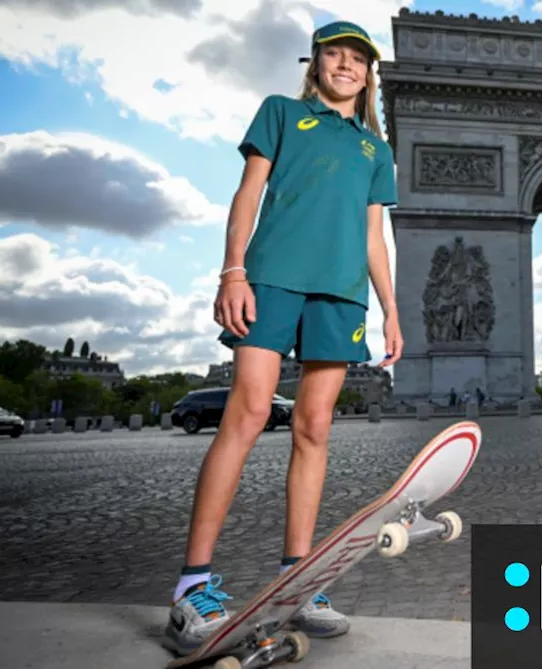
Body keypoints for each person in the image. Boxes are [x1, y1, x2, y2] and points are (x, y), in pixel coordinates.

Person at [161, 20, 402, 656]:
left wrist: (392, 311)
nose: (345, 66)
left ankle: (297, 577)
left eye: (357, 58)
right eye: (335, 55)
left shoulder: (376, 151)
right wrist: (232, 270)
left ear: (369, 72)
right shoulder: (279, 113)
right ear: (315, 62)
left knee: (315, 427)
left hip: (341, 292)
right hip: (270, 279)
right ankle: (192, 586)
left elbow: (375, 237)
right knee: (244, 413)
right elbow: (247, 195)